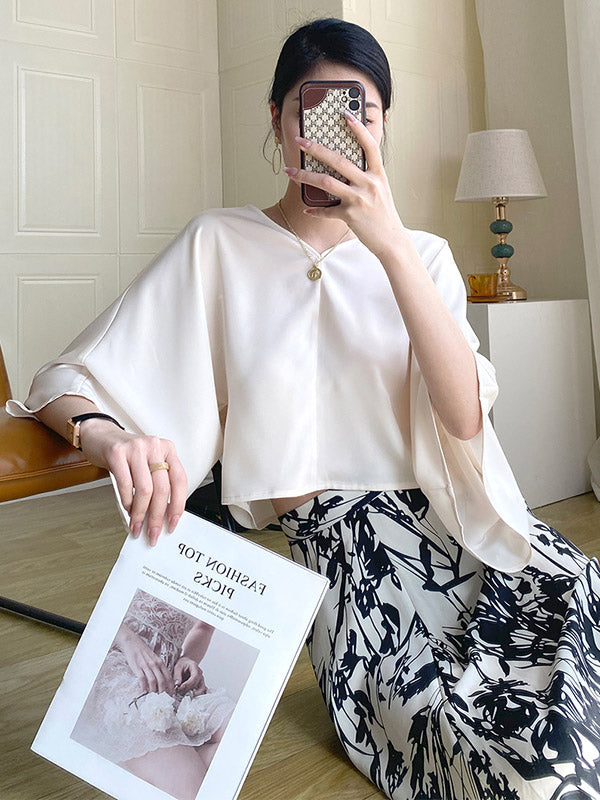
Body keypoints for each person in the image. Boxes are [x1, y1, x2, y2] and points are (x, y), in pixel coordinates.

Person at [7, 17, 600, 800]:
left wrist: (389, 245)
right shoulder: (219, 243)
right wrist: (108, 437)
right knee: (520, 769)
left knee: (581, 625)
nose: (337, 131)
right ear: (279, 120)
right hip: (355, 570)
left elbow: (464, 420)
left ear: (382, 126)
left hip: (464, 533)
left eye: (362, 113)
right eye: (311, 108)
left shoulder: (421, 254)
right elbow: (65, 376)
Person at [70, 589, 234, 800]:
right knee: (192, 790)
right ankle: (179, 768)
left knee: (239, 737)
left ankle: (178, 765)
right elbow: (89, 598)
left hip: (172, 679)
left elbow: (204, 627)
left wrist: (188, 658)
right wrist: (126, 639)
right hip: (122, 656)